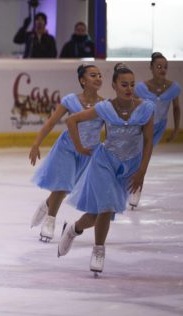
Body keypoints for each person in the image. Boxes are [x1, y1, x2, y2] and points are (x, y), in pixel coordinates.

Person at [57, 64, 154, 275]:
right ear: (114, 86)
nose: (129, 88)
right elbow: (71, 120)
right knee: (106, 208)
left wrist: (142, 171)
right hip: (105, 162)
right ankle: (98, 250)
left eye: (132, 84)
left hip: (129, 166)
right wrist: (80, 147)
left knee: (97, 215)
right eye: (124, 84)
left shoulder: (145, 108)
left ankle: (73, 229)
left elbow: (148, 142)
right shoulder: (105, 108)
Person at [28, 64, 104, 242]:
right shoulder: (71, 100)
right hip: (67, 148)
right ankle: (50, 220)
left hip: (88, 153)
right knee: (62, 185)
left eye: (100, 75)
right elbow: (51, 122)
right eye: (93, 75)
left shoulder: (104, 105)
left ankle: (47, 204)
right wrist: (36, 143)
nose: (98, 78)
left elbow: (111, 132)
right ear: (83, 81)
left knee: (66, 190)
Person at [127, 52, 180, 208]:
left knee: (144, 158)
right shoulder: (141, 88)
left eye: (165, 67)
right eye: (158, 66)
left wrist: (176, 129)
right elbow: (131, 105)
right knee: (138, 158)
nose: (162, 69)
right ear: (151, 67)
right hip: (141, 125)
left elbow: (176, 109)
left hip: (158, 128)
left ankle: (136, 190)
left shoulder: (174, 87)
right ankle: (131, 185)